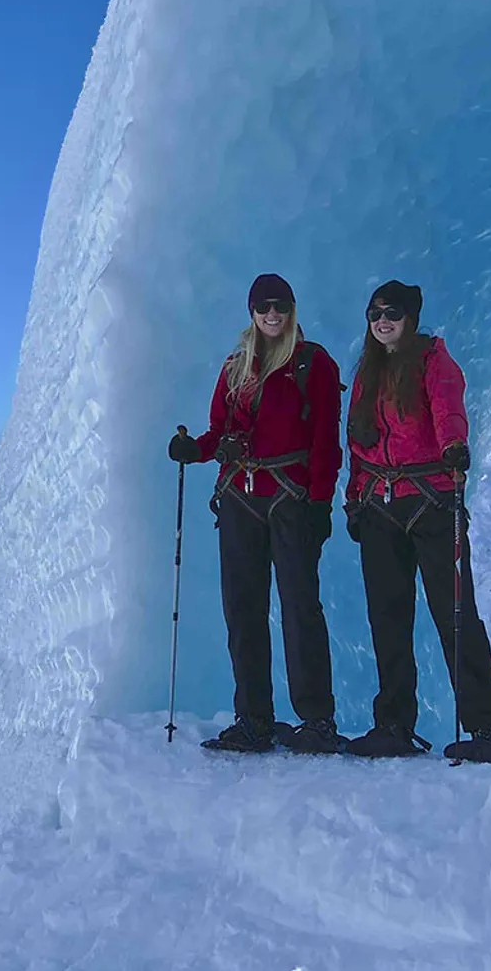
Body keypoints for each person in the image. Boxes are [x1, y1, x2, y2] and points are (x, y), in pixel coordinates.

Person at [340, 280, 491, 763]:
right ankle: (393, 725)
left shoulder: (433, 362)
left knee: (455, 613)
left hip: (431, 502)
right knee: (389, 619)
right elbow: (357, 442)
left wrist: (453, 448)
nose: (383, 321)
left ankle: (489, 729)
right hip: (379, 503)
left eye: (393, 313)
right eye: (376, 312)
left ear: (411, 318)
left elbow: (448, 411)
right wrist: (352, 499)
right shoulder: (367, 372)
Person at [168, 273, 344, 754]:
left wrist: (321, 504)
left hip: (291, 499)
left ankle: (316, 720)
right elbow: (219, 432)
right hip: (241, 498)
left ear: (292, 310)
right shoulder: (234, 368)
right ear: (252, 311)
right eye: (264, 306)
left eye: (281, 306)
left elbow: (327, 441)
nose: (273, 314)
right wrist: (195, 450)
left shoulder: (313, 363)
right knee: (244, 609)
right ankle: (254, 719)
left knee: (299, 609)